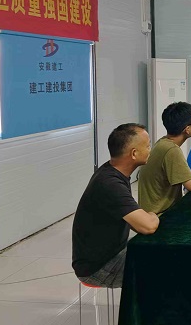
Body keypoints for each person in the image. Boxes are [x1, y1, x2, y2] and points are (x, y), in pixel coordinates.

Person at [72, 123, 160, 288]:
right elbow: (147, 226)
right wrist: (153, 216)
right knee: (171, 265)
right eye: (148, 146)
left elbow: (134, 221)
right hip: (100, 267)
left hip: (113, 252)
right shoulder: (110, 183)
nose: (150, 150)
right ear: (134, 153)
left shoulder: (113, 172)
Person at [138, 102, 191, 214]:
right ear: (187, 129)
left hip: (149, 211)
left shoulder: (162, 142)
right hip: (159, 215)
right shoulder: (171, 150)